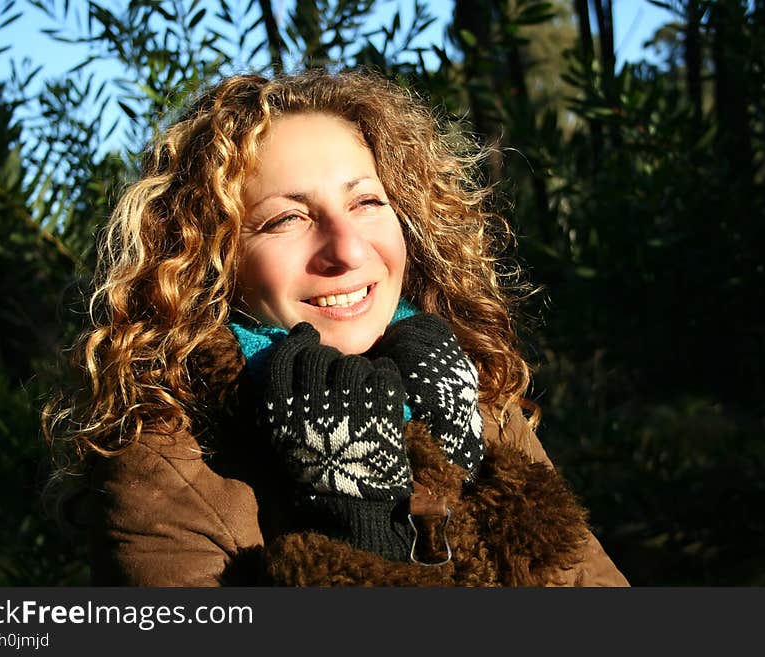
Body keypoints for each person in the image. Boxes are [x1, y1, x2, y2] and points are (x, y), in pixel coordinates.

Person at [44, 68, 629, 587]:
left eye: (367, 202)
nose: (346, 249)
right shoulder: (164, 471)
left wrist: (461, 475)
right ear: (210, 261)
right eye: (286, 218)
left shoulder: (459, 383)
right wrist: (360, 530)